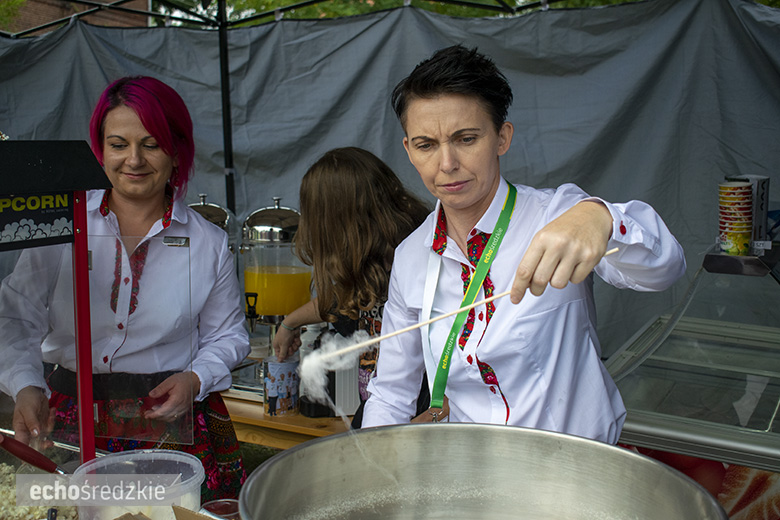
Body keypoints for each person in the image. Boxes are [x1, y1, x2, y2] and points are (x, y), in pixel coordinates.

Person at [361, 45, 687, 444]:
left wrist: (603, 219)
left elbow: (666, 270)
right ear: (409, 149)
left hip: (573, 472)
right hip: (470, 473)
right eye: (427, 144)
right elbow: (391, 391)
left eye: (466, 138)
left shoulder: (559, 216)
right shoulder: (412, 256)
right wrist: (372, 465)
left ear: (501, 137)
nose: (446, 164)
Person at [0, 76, 250, 500]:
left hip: (172, 421)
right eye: (118, 145)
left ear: (176, 151)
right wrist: (26, 386)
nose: (133, 160)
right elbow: (15, 315)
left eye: (151, 144)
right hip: (69, 419)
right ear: (100, 150)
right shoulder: (63, 225)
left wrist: (195, 378)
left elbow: (228, 335)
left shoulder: (207, 241)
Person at [272, 147, 435, 426]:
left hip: (418, 418)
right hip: (380, 412)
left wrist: (431, 419)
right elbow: (348, 298)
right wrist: (290, 323)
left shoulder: (420, 257)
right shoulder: (370, 257)